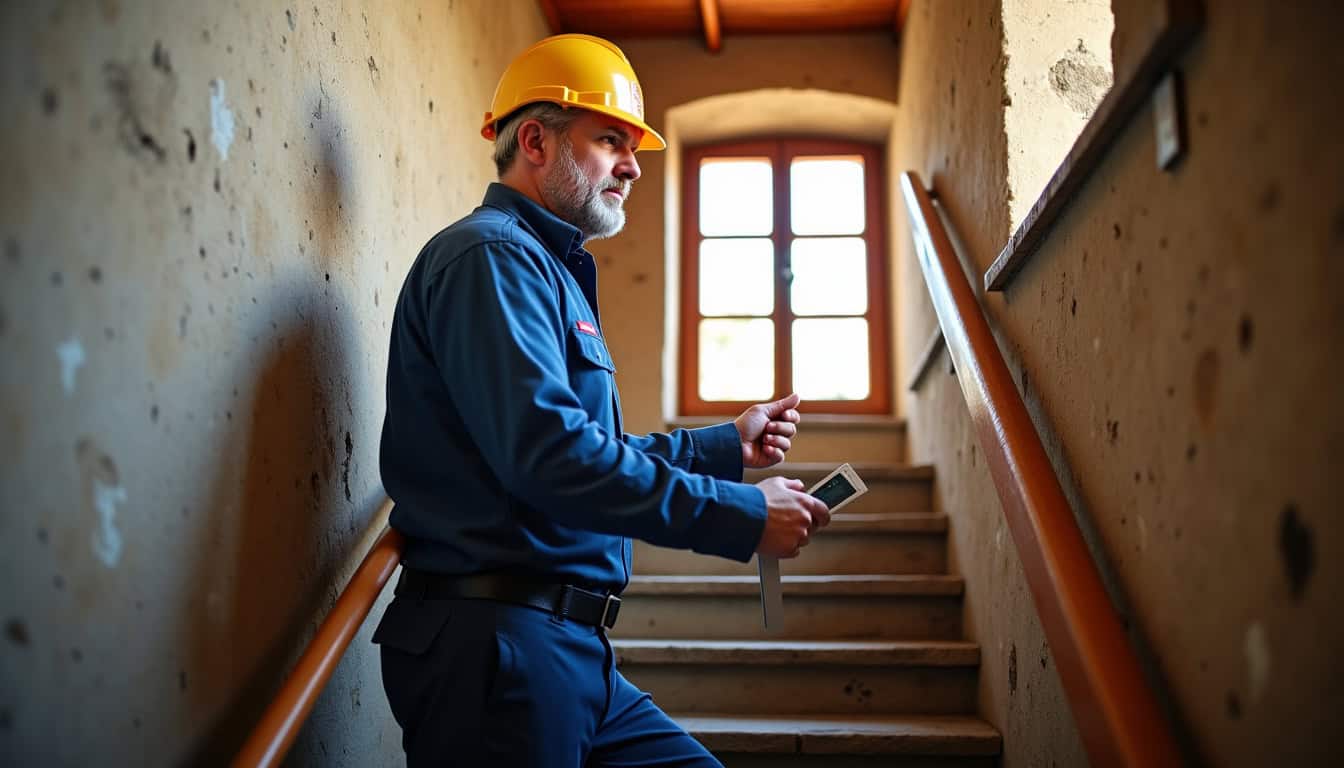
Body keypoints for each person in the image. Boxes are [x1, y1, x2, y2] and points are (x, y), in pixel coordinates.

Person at [373, 33, 831, 767]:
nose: (632, 165)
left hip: (569, 650)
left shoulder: (545, 269)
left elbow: (578, 447)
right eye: (611, 139)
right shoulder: (489, 257)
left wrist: (723, 448)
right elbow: (552, 459)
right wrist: (743, 517)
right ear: (535, 141)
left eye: (635, 147)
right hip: (499, 651)